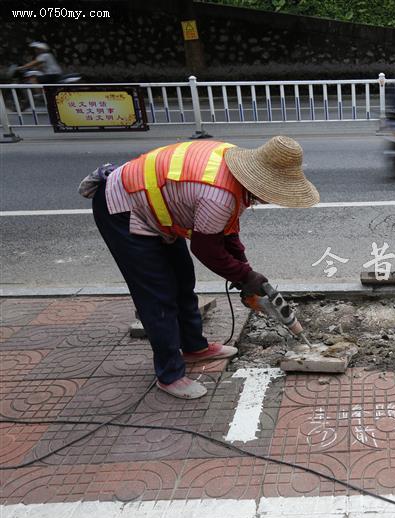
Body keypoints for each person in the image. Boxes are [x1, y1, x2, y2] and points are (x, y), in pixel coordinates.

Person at [79, 137, 320, 399]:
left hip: (157, 209)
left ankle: (193, 347)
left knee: (183, 279)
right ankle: (169, 375)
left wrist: (246, 275)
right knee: (158, 294)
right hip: (123, 208)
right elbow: (207, 249)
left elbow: (226, 234)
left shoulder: (233, 170)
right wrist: (244, 276)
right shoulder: (218, 194)